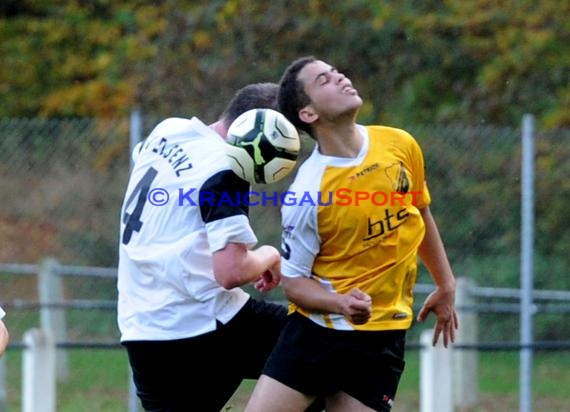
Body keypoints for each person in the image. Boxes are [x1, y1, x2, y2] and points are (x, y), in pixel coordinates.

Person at [245, 57, 459, 412]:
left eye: (337, 72)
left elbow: (419, 210)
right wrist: (341, 303)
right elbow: (295, 285)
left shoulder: (399, 144)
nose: (340, 77)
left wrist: (445, 283)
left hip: (381, 338)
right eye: (324, 80)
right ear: (308, 114)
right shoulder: (308, 193)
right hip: (315, 335)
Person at [117, 83, 323, 412]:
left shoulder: (169, 129)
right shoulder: (227, 168)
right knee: (324, 351)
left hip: (142, 330)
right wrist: (270, 254)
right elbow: (232, 272)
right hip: (199, 325)